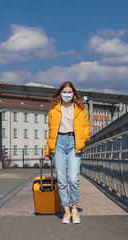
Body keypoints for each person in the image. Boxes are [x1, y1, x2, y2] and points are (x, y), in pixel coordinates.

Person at [43, 81, 91, 224]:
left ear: (74, 94)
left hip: (74, 142)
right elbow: (51, 132)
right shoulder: (54, 110)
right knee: (62, 180)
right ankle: (66, 211)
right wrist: (47, 152)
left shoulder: (81, 109)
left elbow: (87, 126)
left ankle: (74, 209)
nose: (67, 94)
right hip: (58, 143)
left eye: (70, 92)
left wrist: (84, 137)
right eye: (65, 92)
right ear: (60, 93)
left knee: (74, 179)